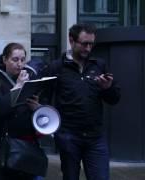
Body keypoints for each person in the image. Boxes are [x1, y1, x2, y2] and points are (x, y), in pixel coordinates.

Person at [46, 24, 121, 180]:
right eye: (84, 44)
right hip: (68, 137)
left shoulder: (99, 65)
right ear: (71, 41)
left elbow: (114, 99)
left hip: (95, 138)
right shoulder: (57, 67)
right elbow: (45, 98)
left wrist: (107, 88)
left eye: (91, 44)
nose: (88, 48)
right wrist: (54, 130)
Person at [0, 42, 46, 180]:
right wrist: (18, 86)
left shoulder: (31, 81)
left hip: (29, 147)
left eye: (23, 60)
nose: (20, 64)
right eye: (15, 59)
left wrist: (37, 108)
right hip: (3, 148)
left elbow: (41, 115)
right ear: (5, 59)